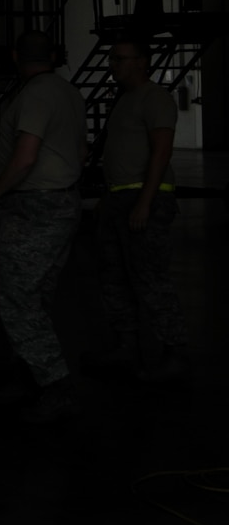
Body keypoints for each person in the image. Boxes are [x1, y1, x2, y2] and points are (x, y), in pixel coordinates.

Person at [0, 29, 86, 423]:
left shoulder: (37, 95)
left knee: (19, 300)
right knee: (36, 297)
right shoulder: (68, 92)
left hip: (36, 206)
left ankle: (55, 385)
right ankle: (29, 380)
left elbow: (25, 158)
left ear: (15, 56)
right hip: (62, 201)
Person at [92, 37, 185, 382]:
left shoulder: (155, 99)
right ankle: (126, 347)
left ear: (143, 61)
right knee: (114, 278)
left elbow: (162, 150)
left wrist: (145, 202)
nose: (113, 65)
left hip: (143, 199)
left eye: (120, 58)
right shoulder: (124, 100)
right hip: (119, 198)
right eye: (112, 58)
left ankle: (174, 353)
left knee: (150, 279)